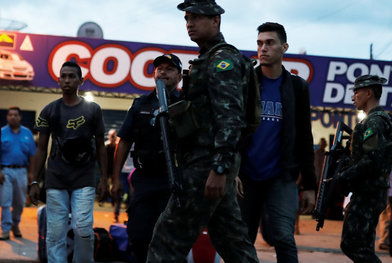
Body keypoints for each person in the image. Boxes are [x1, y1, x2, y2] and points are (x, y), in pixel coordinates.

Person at [146, 1, 259, 262]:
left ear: (216, 21)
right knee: (232, 242)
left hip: (206, 165)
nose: (189, 24)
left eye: (196, 18)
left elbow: (230, 117)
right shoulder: (209, 59)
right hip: (208, 163)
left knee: (166, 241)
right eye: (187, 18)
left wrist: (219, 168)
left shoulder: (222, 62)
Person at [238, 22, 316, 262]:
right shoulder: (245, 83)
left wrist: (310, 185)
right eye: (259, 43)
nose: (263, 48)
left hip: (281, 178)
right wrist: (230, 169)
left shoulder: (297, 87)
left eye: (270, 43)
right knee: (241, 241)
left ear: (284, 47)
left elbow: (304, 135)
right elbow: (232, 130)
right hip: (246, 177)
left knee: (283, 237)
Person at [29, 61, 108, 263]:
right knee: (55, 233)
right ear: (58, 80)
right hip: (56, 177)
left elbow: (101, 145)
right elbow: (40, 148)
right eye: (63, 76)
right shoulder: (49, 110)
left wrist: (104, 179)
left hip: (85, 176)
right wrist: (34, 181)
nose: (67, 80)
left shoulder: (93, 110)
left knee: (83, 230)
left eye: (72, 76)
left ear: (81, 80)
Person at [110, 53, 183, 263]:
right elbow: (124, 141)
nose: (162, 72)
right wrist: (115, 179)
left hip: (174, 181)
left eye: (169, 69)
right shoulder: (140, 104)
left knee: (169, 237)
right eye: (159, 68)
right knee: (138, 233)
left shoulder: (186, 105)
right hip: (144, 179)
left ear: (179, 76)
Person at [334, 74, 392, 263]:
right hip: (371, 190)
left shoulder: (374, 121)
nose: (353, 96)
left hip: (369, 192)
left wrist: (344, 176)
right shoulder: (375, 119)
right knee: (364, 244)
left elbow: (371, 159)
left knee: (352, 244)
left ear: (369, 93)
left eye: (357, 91)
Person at [0, 106, 36, 240]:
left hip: (22, 171)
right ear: (7, 117)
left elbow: (33, 155)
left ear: (20, 117)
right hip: (6, 171)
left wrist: (31, 173)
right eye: (10, 115)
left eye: (15, 115)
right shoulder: (2, 132)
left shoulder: (27, 133)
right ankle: (5, 229)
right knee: (5, 201)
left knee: (20, 202)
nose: (13, 117)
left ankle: (15, 224)